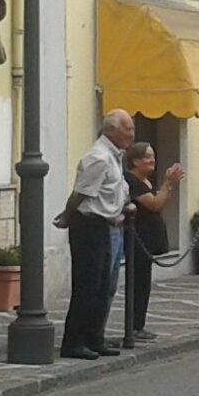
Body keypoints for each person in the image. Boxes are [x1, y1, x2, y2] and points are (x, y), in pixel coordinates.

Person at [54, 109, 136, 360]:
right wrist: (67, 216)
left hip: (105, 224)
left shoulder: (114, 157)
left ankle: (94, 337)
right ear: (111, 130)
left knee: (102, 287)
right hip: (89, 224)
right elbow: (81, 193)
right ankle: (74, 341)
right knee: (88, 286)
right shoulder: (99, 157)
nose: (132, 134)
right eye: (127, 129)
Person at [124, 142, 183, 341]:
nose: (153, 160)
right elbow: (155, 204)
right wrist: (168, 183)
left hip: (147, 240)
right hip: (138, 240)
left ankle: (138, 324)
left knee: (143, 284)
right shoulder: (132, 181)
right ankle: (133, 326)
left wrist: (167, 185)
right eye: (148, 157)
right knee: (138, 283)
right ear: (135, 161)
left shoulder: (146, 181)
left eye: (153, 156)